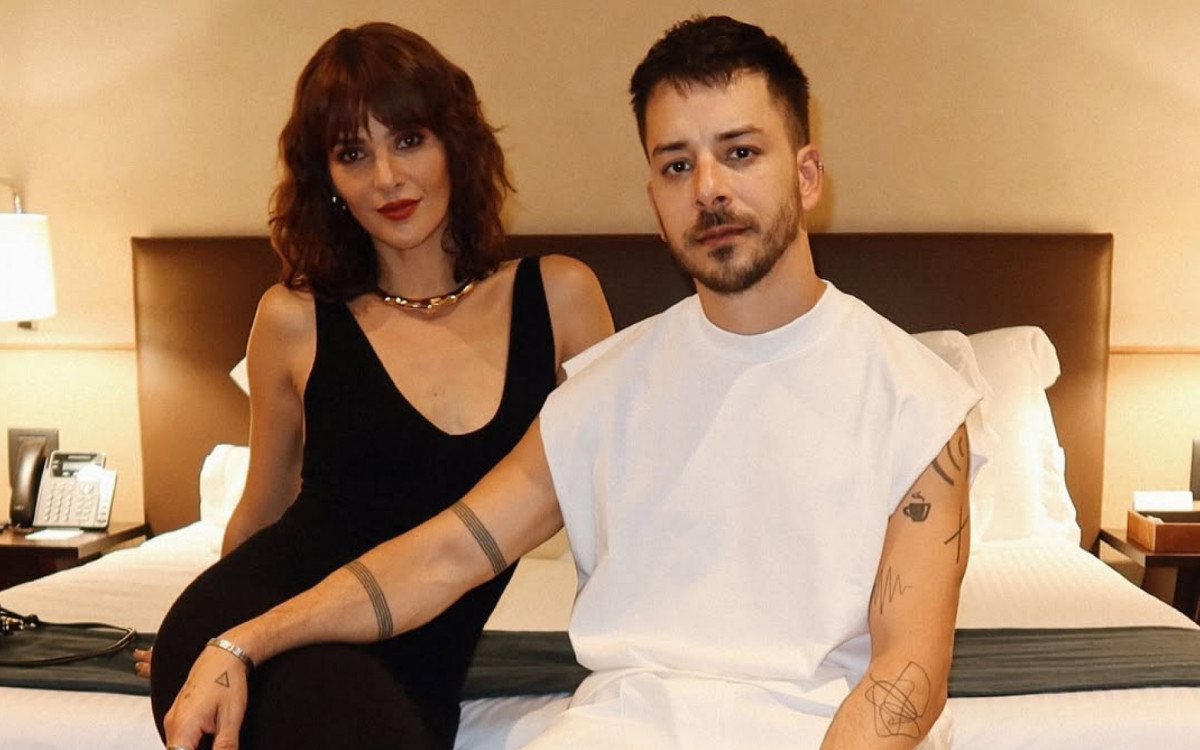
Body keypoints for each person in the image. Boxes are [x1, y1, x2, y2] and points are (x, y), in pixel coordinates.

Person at [163, 15, 981, 750]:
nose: (708, 189)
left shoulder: (915, 400)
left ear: (806, 175)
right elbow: (441, 556)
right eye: (677, 165)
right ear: (655, 200)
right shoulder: (603, 390)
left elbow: (907, 672)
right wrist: (242, 640)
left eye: (740, 152)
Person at [147, 21, 613, 750]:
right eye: (352, 154)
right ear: (326, 180)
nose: (387, 178)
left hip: (420, 662)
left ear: (455, 144)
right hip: (268, 619)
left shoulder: (560, 299)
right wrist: (217, 641)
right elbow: (263, 510)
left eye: (409, 139)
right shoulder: (295, 319)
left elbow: (617, 500)